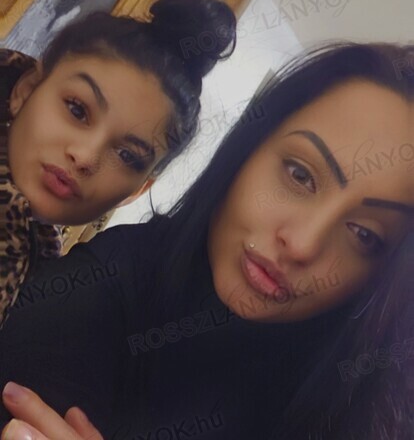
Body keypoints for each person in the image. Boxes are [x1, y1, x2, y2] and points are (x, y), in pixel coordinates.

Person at [0, 40, 412, 440]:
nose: (303, 244)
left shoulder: (368, 391)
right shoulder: (87, 298)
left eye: (364, 234)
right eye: (300, 175)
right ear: (248, 148)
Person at [0, 0, 237, 327]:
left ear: (136, 192)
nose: (85, 157)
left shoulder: (42, 275)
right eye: (77, 110)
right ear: (27, 89)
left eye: (127, 156)